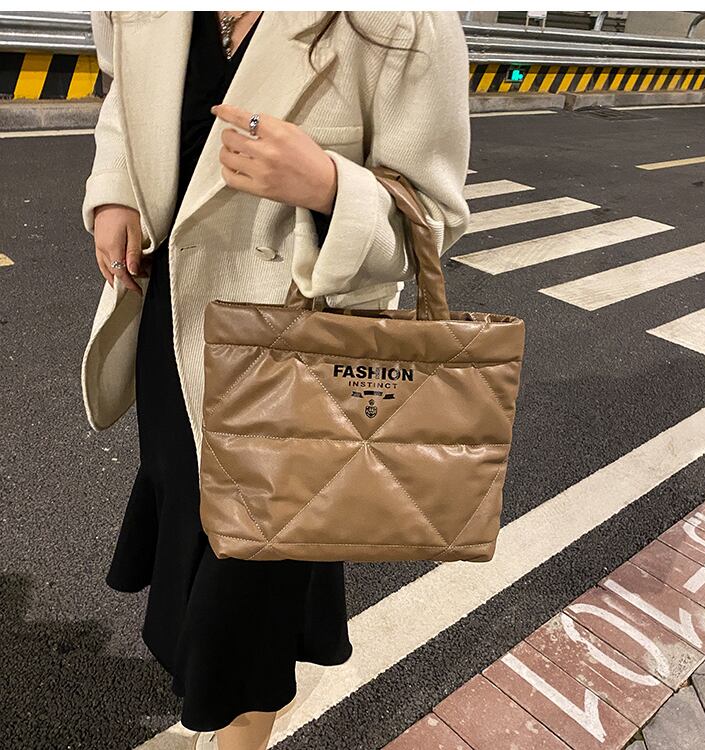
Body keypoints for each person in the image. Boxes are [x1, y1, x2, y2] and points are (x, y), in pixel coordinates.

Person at [80, 10, 471, 750]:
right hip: (177, 334)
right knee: (194, 566)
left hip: (296, 365)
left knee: (245, 610)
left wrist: (330, 187)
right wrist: (114, 191)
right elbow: (122, 99)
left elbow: (434, 218)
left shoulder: (403, 20)